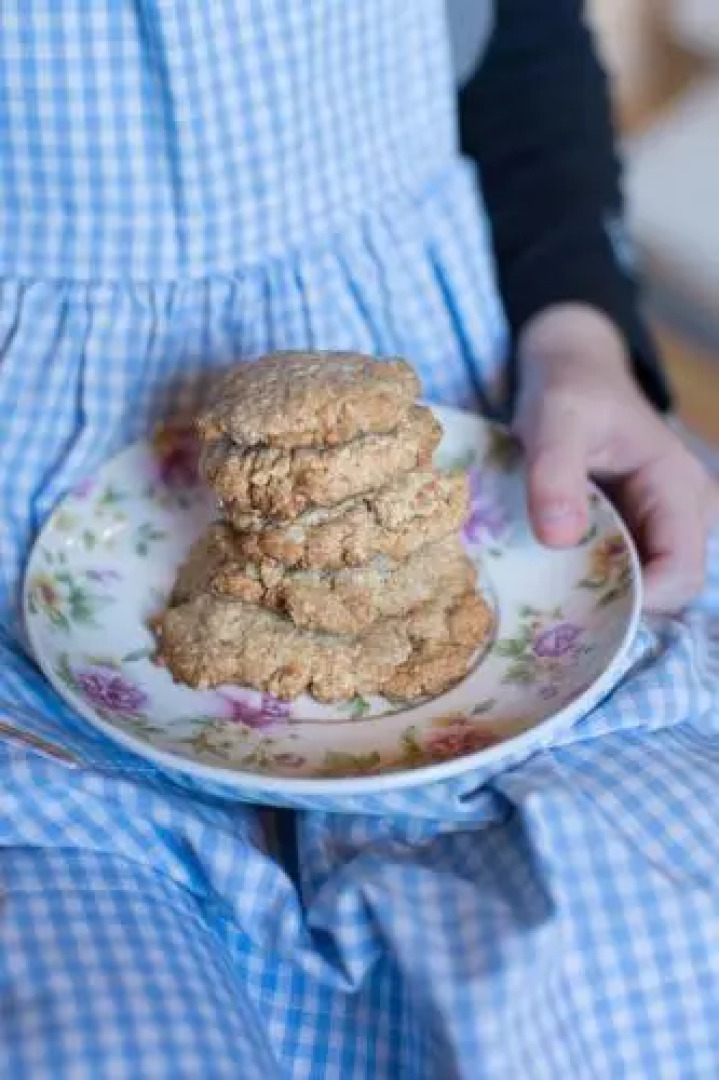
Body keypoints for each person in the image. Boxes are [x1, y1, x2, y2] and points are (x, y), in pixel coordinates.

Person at [0, 1, 717, 1077]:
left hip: (466, 432)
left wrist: (577, 329)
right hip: (28, 596)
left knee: (658, 942)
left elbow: (519, 30)